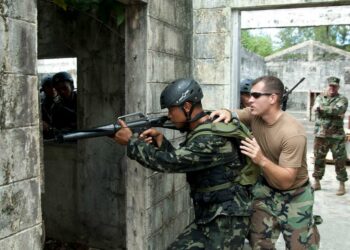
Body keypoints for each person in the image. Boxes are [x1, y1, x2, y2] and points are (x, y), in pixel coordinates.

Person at [112, 78, 256, 249]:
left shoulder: (210, 138)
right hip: (213, 216)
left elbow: (171, 163)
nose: (169, 116)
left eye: (171, 110)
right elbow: (186, 161)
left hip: (227, 220)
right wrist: (161, 141)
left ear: (187, 106)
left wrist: (131, 142)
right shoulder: (205, 127)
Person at [210, 76, 320, 249]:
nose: (249, 99)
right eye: (249, 95)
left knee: (301, 246)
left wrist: (260, 159)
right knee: (258, 242)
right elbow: (236, 114)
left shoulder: (292, 133)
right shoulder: (255, 115)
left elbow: (287, 181)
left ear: (273, 98)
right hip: (266, 188)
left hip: (295, 193)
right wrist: (226, 111)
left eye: (255, 95)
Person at [312, 76, 348, 195]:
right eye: (330, 85)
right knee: (318, 158)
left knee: (340, 160)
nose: (332, 88)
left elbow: (339, 110)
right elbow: (315, 109)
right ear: (327, 86)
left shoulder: (342, 99)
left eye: (335, 86)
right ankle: (317, 182)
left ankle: (341, 184)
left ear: (338, 87)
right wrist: (330, 111)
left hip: (336, 136)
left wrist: (322, 109)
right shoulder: (320, 97)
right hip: (320, 134)